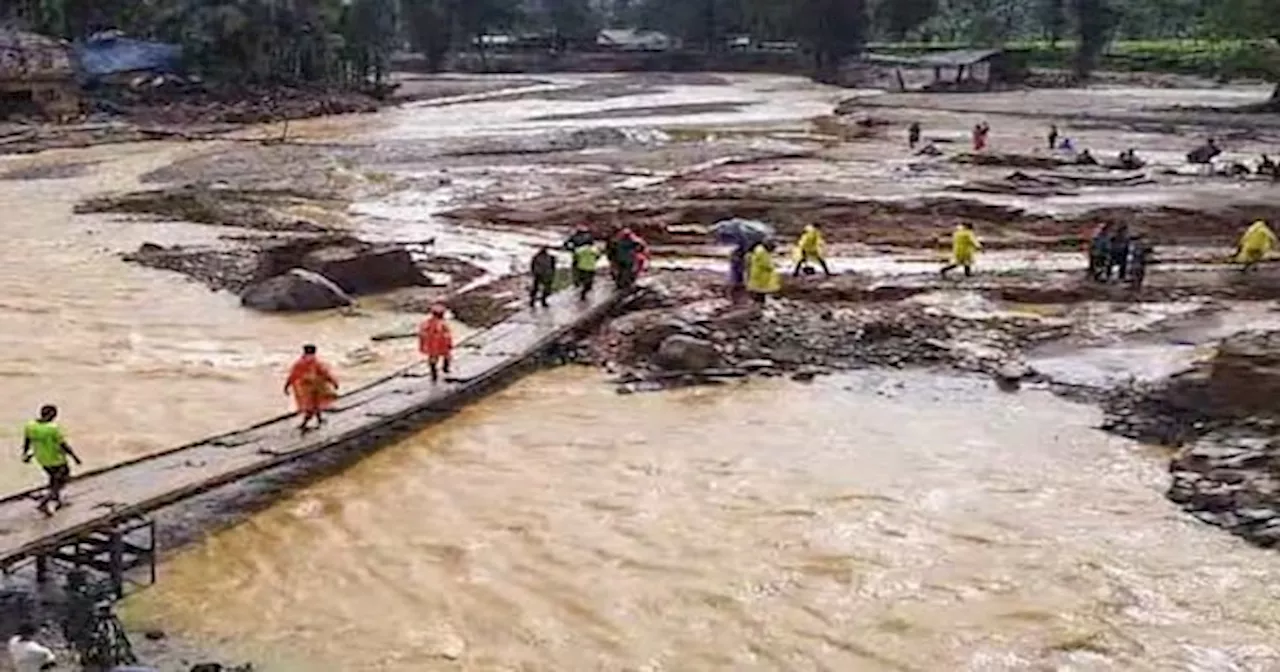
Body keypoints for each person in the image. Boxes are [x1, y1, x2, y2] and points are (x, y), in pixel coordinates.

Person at [22, 405, 81, 517]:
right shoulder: (53, 429)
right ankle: (44, 502)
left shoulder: (30, 425)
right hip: (56, 459)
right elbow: (63, 445)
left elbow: (27, 440)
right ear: (51, 415)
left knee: (53, 478)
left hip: (41, 458)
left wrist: (25, 454)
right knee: (62, 480)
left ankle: (58, 501)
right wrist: (75, 457)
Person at [284, 344, 338, 433]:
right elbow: (326, 373)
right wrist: (334, 382)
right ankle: (304, 424)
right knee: (312, 407)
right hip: (315, 387)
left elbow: (292, 376)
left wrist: (286, 386)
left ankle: (319, 419)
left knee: (314, 405)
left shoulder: (299, 363)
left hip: (305, 388)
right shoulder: (316, 362)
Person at [418, 304, 454, 383]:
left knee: (433, 359)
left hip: (431, 345)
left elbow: (422, 334)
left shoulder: (426, 323)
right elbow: (447, 336)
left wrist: (423, 345)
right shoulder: (442, 324)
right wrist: (450, 344)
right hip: (440, 344)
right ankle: (445, 369)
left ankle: (434, 375)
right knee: (447, 356)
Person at [746, 240, 780, 306]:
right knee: (760, 289)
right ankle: (759, 303)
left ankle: (757, 302)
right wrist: (773, 266)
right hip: (761, 274)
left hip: (758, 272)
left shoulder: (759, 250)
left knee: (758, 289)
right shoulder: (762, 252)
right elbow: (766, 264)